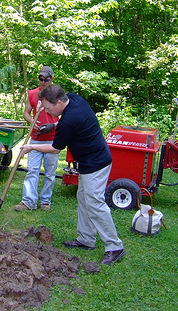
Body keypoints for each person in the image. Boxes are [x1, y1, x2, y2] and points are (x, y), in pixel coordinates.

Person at [20, 84, 125, 265]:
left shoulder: (69, 120)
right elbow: (65, 120)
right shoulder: (74, 99)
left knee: (94, 202)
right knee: (84, 198)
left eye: (47, 107)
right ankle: (86, 239)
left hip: (96, 163)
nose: (46, 110)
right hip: (87, 161)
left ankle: (115, 246)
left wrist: (31, 146)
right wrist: (53, 124)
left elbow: (55, 148)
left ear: (59, 102)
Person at [14, 66, 60, 212]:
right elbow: (26, 113)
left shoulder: (58, 95)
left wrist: (53, 125)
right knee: (32, 170)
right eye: (41, 78)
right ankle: (28, 201)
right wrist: (32, 123)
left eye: (46, 79)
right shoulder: (33, 94)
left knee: (50, 173)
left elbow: (66, 116)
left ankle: (45, 201)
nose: (43, 81)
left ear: (52, 78)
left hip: (53, 140)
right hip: (36, 139)